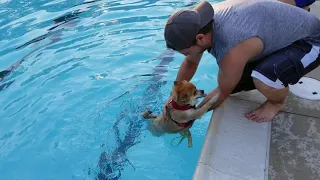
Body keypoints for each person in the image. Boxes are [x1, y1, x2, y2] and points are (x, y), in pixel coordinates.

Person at [164, 0, 320, 123]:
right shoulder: (202, 24)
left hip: (311, 41)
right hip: (283, 37)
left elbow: (222, 92)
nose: (187, 56)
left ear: (200, 38)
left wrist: (190, 117)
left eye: (186, 52)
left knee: (264, 79)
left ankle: (276, 103)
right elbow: (191, 64)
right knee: (233, 82)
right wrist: (174, 97)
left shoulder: (230, 46)